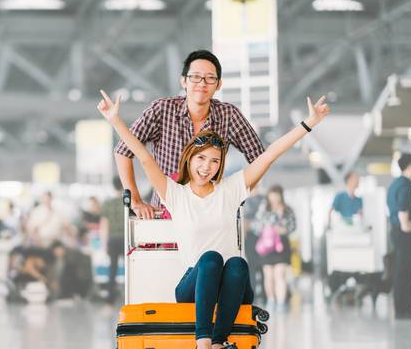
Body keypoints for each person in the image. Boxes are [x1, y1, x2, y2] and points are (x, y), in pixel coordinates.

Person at [98, 90, 330, 349]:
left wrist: (309, 123)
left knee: (237, 264)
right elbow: (143, 156)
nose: (206, 166)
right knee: (211, 258)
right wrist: (115, 120)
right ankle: (205, 342)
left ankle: (218, 341)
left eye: (214, 161)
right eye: (201, 158)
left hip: (231, 286)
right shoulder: (174, 193)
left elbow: (269, 155)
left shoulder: (231, 189)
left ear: (220, 166)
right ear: (190, 159)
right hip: (192, 288)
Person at [114, 50, 265, 220]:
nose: (202, 83)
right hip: (165, 216)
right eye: (195, 77)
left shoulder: (228, 115)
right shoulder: (162, 110)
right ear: (183, 81)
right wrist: (136, 201)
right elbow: (123, 151)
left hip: (210, 216)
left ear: (219, 84)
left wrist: (235, 194)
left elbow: (261, 159)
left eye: (210, 78)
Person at [387, 153, 411, 320]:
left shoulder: (396, 184)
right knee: (405, 271)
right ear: (409, 166)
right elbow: (402, 208)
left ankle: (403, 308)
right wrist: (408, 227)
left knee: (402, 271)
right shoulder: (404, 185)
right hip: (404, 235)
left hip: (398, 234)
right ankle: (404, 309)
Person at [254, 185, 296, 309]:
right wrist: (267, 229)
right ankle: (271, 300)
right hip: (266, 246)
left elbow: (293, 226)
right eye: (272, 195)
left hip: (281, 245)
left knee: (280, 274)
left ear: (281, 196)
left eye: (276, 195)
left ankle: (281, 303)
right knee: (268, 275)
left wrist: (282, 229)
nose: (274, 198)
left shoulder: (287, 210)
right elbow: (256, 226)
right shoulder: (263, 209)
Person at [99, 176, 125, 303]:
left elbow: (104, 225)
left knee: (112, 268)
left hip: (113, 239)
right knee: (131, 268)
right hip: (126, 239)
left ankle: (110, 299)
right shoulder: (127, 202)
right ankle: (132, 296)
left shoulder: (107, 203)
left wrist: (104, 245)